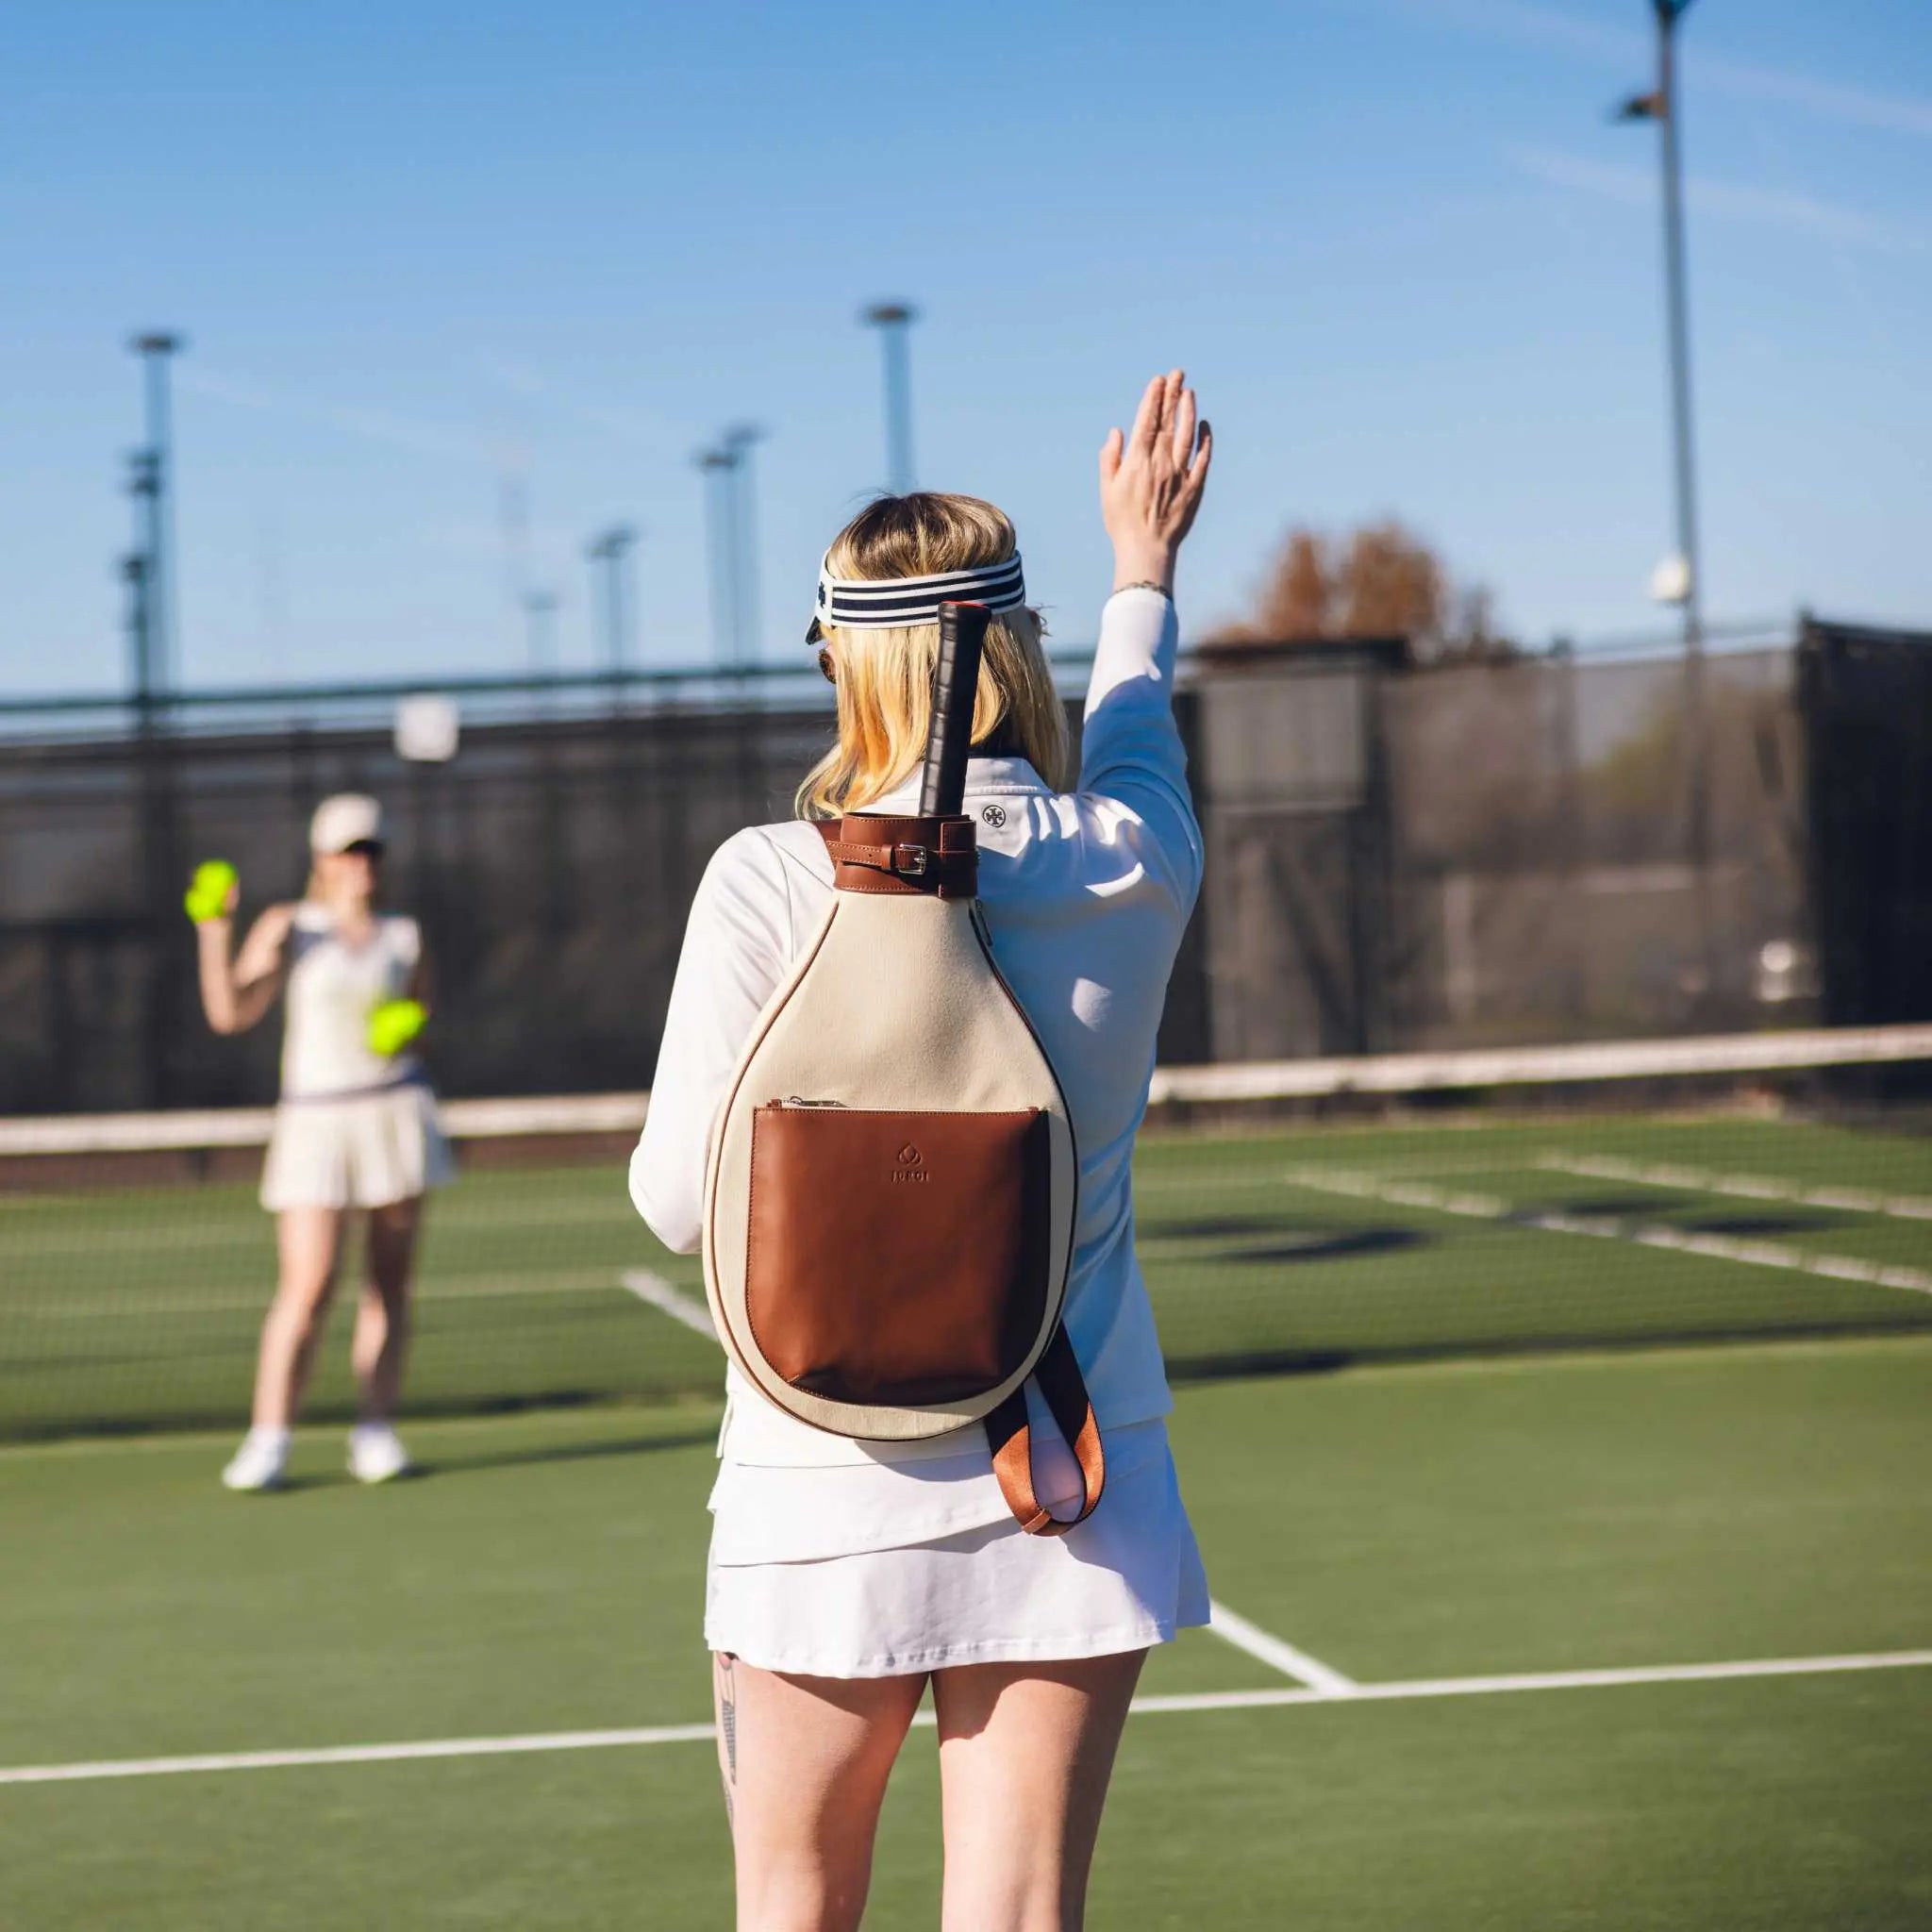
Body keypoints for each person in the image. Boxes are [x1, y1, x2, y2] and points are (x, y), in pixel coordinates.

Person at [632, 370, 1214, 1930]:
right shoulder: (1133, 855)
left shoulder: (767, 879)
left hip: (813, 1486)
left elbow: (673, 1200)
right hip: (1073, 1479)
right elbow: (1139, 722)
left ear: (846, 666)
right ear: (1013, 648)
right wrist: (1140, 568)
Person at [192, 792, 453, 1491]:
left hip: (394, 1115)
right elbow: (230, 1011)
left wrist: (407, 1028)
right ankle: (269, 1438)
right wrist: (215, 933)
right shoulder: (289, 927)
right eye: (348, 850)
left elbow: (424, 1025)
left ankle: (375, 1431)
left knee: (389, 1285)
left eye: (371, 850)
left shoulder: (406, 935)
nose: (360, 862)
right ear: (322, 859)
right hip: (314, 1123)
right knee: (306, 1288)